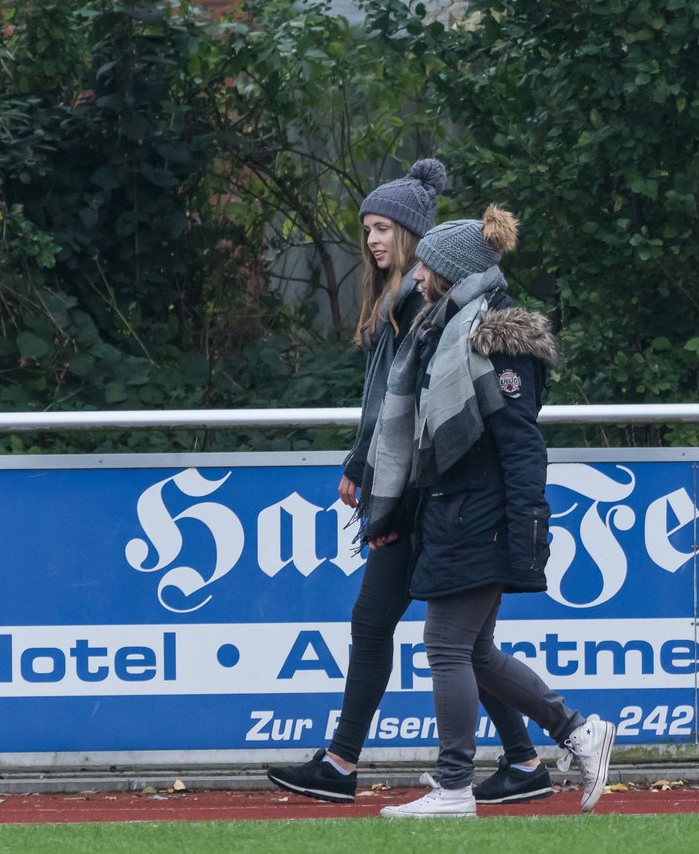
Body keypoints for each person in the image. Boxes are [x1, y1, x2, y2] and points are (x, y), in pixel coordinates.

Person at [267, 162, 549, 807]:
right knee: (466, 644)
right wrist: (359, 462)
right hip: (412, 491)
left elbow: (430, 421)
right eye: (367, 228)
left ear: (420, 239)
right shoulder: (404, 304)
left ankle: (346, 763)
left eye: (384, 228)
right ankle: (525, 758)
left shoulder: (433, 310)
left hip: (429, 498)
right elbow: (384, 410)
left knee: (409, 632)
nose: (373, 240)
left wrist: (383, 488)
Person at [360, 205, 616, 818]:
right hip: (458, 512)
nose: (417, 275)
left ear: (452, 270)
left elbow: (522, 444)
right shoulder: (447, 329)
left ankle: (453, 786)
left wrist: (530, 523)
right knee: (471, 652)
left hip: (484, 515)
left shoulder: (493, 338)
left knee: (446, 646)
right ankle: (579, 732)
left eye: (427, 266)